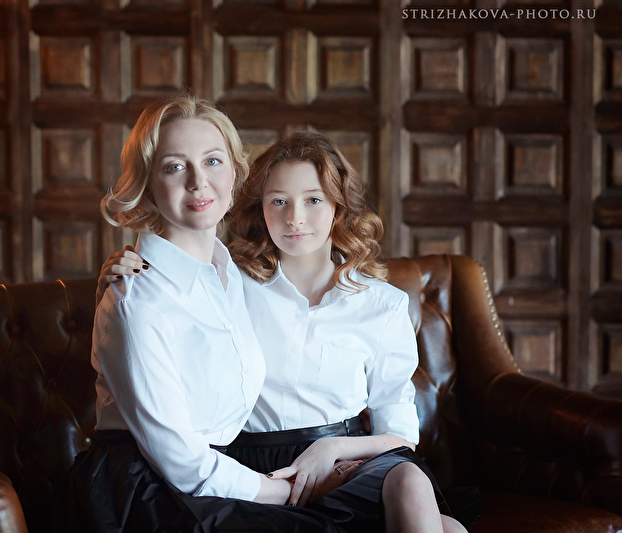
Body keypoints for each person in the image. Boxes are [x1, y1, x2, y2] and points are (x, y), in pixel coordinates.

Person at [99, 130, 478, 532]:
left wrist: (332, 448)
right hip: (254, 461)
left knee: (410, 481)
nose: (295, 218)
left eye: (313, 200)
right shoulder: (228, 283)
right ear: (260, 209)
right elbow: (162, 293)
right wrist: (119, 273)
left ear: (339, 206)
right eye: (278, 201)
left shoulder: (382, 305)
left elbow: (398, 433)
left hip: (348, 458)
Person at [57, 94, 350, 533]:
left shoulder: (232, 273)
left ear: (234, 174)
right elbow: (182, 463)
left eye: (213, 161)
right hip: (145, 492)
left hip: (218, 475)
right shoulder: (135, 300)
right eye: (174, 167)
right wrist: (288, 492)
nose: (198, 182)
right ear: (147, 184)